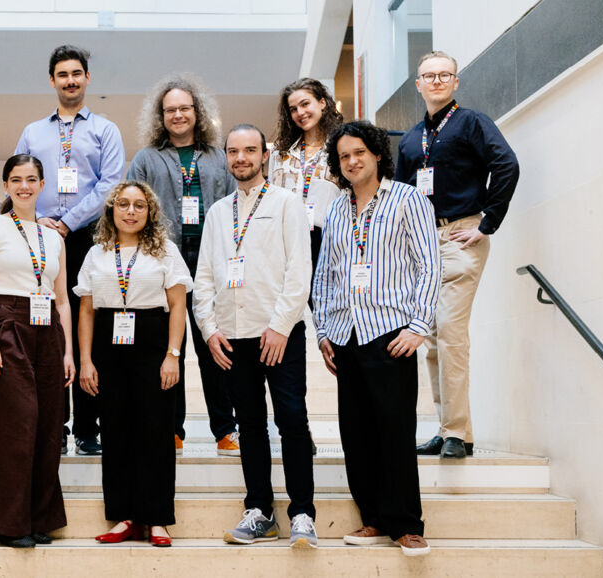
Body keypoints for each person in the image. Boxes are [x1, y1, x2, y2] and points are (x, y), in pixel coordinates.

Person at [313, 121, 441, 557]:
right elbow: (325, 275)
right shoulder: (336, 209)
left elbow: (429, 264)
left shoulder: (407, 198)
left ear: (377, 154)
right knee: (357, 434)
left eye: (359, 153)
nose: (352, 161)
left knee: (395, 431)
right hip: (345, 335)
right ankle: (372, 518)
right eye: (344, 156)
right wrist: (324, 331)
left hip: (390, 333)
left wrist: (418, 326)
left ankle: (405, 524)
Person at [192, 124, 318, 548]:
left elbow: (300, 271)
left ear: (265, 155)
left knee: (292, 421)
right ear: (226, 157)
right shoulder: (217, 212)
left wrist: (281, 326)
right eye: (233, 151)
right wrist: (210, 330)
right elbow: (204, 277)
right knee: (249, 425)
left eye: (249, 150)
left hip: (278, 333)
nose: (241, 158)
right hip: (233, 337)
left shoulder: (286, 203)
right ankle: (260, 511)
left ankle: (302, 513)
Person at [395, 50, 520, 459]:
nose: (436, 81)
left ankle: (454, 431)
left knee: (450, 332)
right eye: (429, 76)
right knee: (431, 338)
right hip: (421, 245)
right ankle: (452, 430)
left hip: (459, 236)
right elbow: (399, 195)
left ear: (455, 81)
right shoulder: (412, 138)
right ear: (418, 84)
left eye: (444, 74)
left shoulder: (472, 122)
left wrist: (487, 223)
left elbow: (507, 165)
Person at [14, 45, 125, 456]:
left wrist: (68, 222)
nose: (70, 80)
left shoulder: (106, 130)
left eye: (77, 73)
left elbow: (110, 184)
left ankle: (88, 428)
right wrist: (39, 223)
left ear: (87, 78)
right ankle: (54, 426)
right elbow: (21, 180)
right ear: (52, 80)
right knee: (47, 329)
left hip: (90, 237)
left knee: (88, 326)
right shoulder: (32, 132)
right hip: (41, 238)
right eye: (62, 74)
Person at [127, 75, 239, 456]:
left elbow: (233, 207)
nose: (178, 115)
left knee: (214, 344)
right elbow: (131, 208)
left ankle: (225, 429)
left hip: (210, 259)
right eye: (170, 109)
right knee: (168, 347)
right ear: (161, 115)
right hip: (164, 260)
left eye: (184, 108)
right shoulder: (146, 159)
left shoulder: (218, 157)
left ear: (197, 111)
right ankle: (171, 429)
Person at [76, 181, 191, 547]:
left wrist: (173, 355)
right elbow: (86, 310)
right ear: (111, 210)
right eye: (123, 204)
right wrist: (85, 361)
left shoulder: (165, 250)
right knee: (115, 431)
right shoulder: (96, 253)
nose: (130, 211)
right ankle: (124, 517)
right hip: (108, 345)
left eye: (139, 205)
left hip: (152, 342)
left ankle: (157, 519)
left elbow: (178, 306)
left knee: (155, 432)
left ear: (149, 211)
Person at [0, 154, 76, 548]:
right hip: (7, 323)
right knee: (17, 423)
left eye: (31, 179)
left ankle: (39, 518)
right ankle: (11, 524)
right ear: (6, 185)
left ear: (42, 185)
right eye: (16, 179)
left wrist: (67, 352)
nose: (24, 186)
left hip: (48, 328)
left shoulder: (54, 237)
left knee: (49, 425)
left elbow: (62, 299)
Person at [268, 77, 343, 270]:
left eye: (305, 104)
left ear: (322, 103)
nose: (300, 113)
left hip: (327, 241)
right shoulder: (280, 152)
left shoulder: (340, 148)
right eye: (293, 109)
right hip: (285, 240)